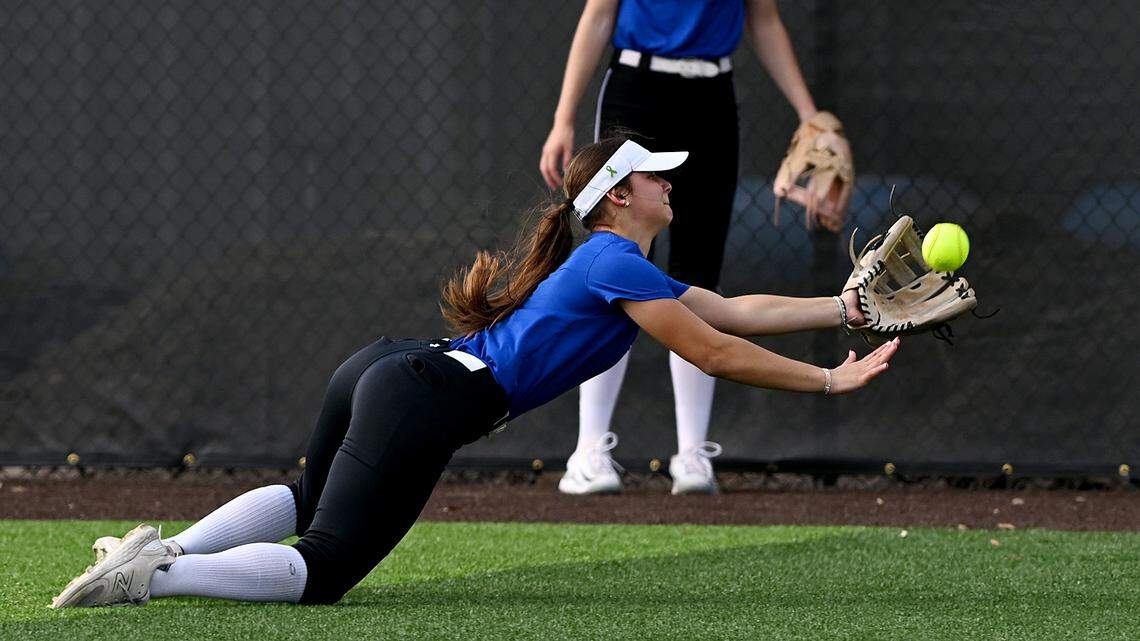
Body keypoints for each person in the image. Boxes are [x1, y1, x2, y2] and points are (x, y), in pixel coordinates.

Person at [51, 137, 896, 608]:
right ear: (614, 197)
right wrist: (827, 383)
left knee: (309, 496)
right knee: (325, 565)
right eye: (653, 174)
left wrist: (839, 310)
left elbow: (731, 310)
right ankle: (160, 573)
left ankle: (159, 550)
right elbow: (710, 351)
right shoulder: (613, 263)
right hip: (423, 395)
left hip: (389, 368)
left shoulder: (619, 266)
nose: (668, 182)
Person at [540, 0, 827, 495]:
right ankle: (588, 452)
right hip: (637, 87)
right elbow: (599, 15)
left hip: (711, 96)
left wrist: (809, 116)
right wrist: (563, 118)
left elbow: (763, 18)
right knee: (616, 267)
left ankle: (692, 455)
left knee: (701, 268)